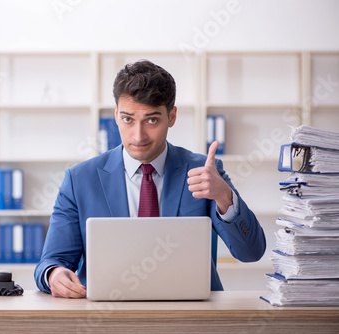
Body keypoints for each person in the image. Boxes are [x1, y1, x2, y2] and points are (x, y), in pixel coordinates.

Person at [34, 59, 266, 298]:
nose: (138, 135)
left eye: (152, 120)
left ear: (172, 117)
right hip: (108, 316)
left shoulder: (204, 172)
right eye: (128, 119)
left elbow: (252, 252)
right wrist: (55, 274)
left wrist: (224, 196)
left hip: (191, 315)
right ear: (116, 115)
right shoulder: (80, 180)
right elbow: (51, 261)